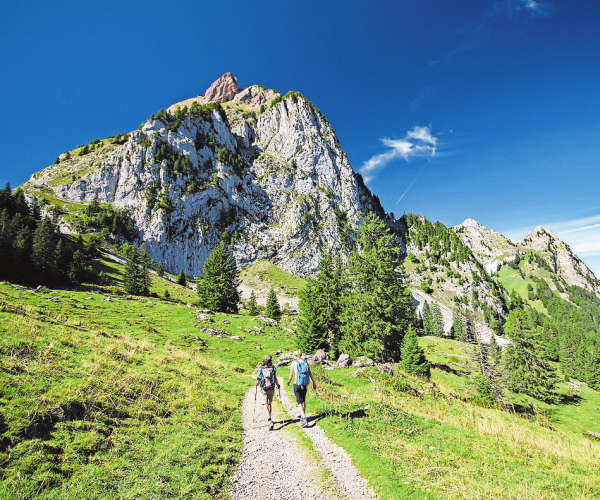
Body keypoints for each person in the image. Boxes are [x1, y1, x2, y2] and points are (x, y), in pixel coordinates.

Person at [287, 350, 317, 427]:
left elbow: (291, 375)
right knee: (303, 400)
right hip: (305, 384)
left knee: (299, 402)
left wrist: (288, 382)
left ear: (295, 356)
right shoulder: (305, 362)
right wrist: (313, 382)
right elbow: (309, 372)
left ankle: (303, 418)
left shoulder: (294, 363)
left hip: (297, 384)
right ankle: (303, 415)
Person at [256, 354, 280, 430]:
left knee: (265, 404)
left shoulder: (261, 368)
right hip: (271, 387)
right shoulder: (273, 368)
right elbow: (275, 378)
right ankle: (270, 418)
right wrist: (277, 384)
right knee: (269, 403)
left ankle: (269, 419)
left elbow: (258, 378)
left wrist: (257, 383)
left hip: (264, 388)